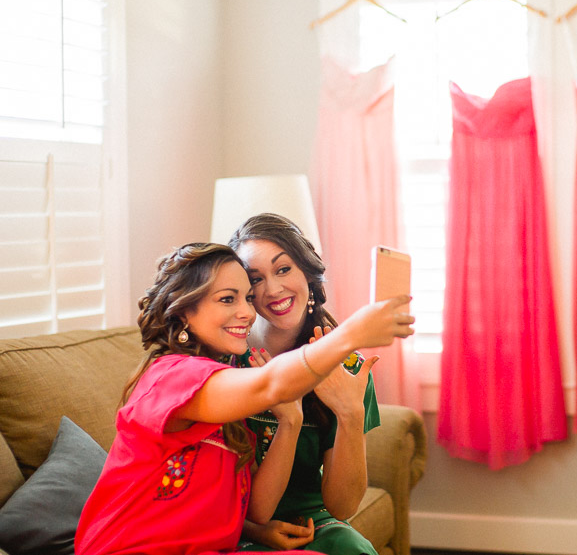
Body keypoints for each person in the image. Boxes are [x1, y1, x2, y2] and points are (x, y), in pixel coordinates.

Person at [74, 243, 414, 555]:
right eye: (227, 299)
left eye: (247, 299)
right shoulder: (174, 377)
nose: (247, 313)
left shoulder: (228, 389)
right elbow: (271, 385)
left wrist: (293, 420)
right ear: (183, 314)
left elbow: (251, 506)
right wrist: (350, 333)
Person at [227, 213, 385, 555]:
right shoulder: (226, 363)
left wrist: (350, 414)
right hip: (232, 524)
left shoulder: (349, 368)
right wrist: (257, 530)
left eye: (283, 269)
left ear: (307, 272)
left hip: (312, 523)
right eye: (255, 279)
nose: (272, 289)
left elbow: (343, 508)